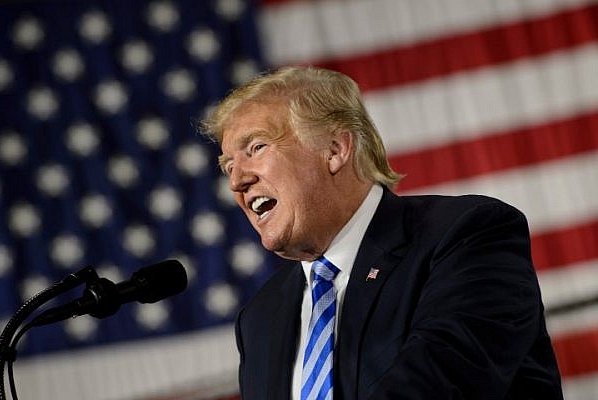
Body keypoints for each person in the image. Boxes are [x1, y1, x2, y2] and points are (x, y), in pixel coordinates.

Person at [202, 66, 563, 399]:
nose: (237, 180)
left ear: (334, 150)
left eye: (257, 148)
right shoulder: (261, 318)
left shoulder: (463, 235)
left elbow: (437, 386)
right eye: (228, 165)